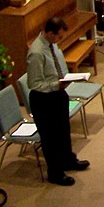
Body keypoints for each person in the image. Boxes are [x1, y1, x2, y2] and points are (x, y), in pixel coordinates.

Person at [27, 17, 90, 186]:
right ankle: (55, 173)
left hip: (58, 94)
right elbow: (34, 84)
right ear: (49, 33)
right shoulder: (36, 53)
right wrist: (57, 84)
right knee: (51, 138)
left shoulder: (51, 44)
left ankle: (68, 160)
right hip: (43, 100)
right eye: (58, 37)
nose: (60, 40)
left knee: (63, 131)